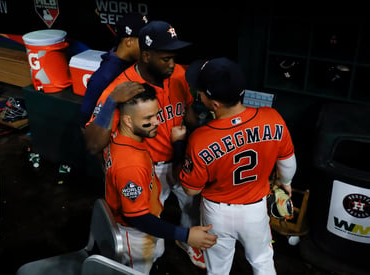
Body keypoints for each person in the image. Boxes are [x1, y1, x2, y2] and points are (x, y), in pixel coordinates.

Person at [84, 20, 207, 268]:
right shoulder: (122, 88)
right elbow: (93, 145)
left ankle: (187, 241)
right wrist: (111, 104)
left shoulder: (179, 75)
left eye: (175, 57)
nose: (173, 64)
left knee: (192, 208)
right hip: (148, 170)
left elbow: (189, 113)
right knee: (147, 227)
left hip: (179, 156)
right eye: (165, 58)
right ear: (146, 55)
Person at [178, 57, 297, 275]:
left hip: (217, 213)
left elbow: (191, 189)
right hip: (255, 210)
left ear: (214, 104)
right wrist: (285, 182)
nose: (199, 94)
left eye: (201, 91)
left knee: (218, 268)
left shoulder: (201, 138)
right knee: (262, 260)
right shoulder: (272, 118)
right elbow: (288, 164)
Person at [104, 83, 217, 274]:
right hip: (135, 233)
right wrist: (186, 235)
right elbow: (138, 218)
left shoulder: (122, 138)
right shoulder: (130, 164)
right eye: (148, 118)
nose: (157, 122)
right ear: (128, 121)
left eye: (157, 115)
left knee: (156, 253)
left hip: (144, 222)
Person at [79, 12, 148, 129]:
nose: (148, 46)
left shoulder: (135, 62)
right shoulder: (105, 76)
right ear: (129, 41)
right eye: (144, 41)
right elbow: (85, 120)